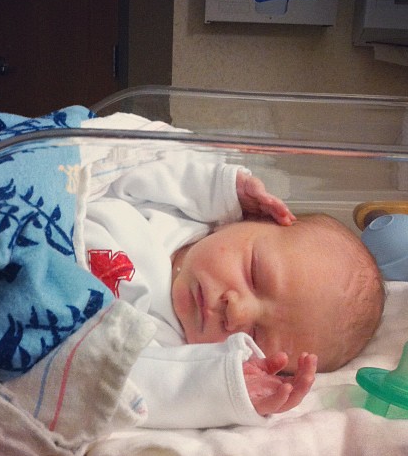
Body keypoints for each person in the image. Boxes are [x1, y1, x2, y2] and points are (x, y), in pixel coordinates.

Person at [80, 114, 385, 429]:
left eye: (253, 335)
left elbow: (119, 384)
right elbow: (126, 158)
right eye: (254, 275)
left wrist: (221, 385)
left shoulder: (173, 352)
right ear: (252, 218)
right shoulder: (179, 207)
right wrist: (221, 189)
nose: (236, 311)